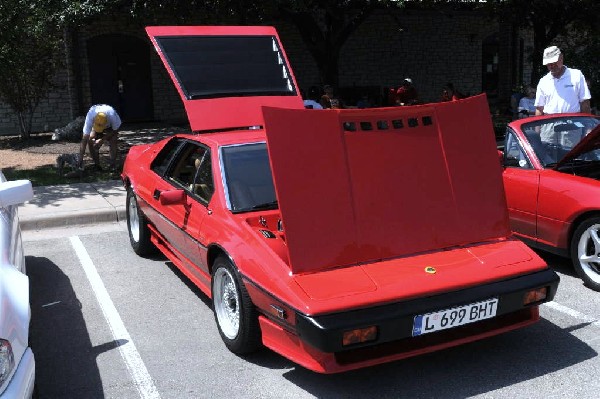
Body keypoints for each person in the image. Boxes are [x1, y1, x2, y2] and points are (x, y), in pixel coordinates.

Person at [535, 46, 591, 116]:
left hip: (573, 121)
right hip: (550, 123)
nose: (552, 66)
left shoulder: (576, 75)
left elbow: (584, 102)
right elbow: (539, 108)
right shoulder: (543, 81)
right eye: (549, 64)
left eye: (554, 62)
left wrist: (588, 125)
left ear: (561, 58)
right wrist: (537, 126)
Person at [80, 104, 122, 172]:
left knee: (113, 140)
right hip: (95, 126)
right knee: (90, 140)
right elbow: (84, 138)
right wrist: (80, 158)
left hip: (110, 127)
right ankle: (97, 165)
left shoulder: (112, 115)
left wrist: (102, 140)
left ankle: (112, 165)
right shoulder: (90, 115)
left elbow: (115, 130)